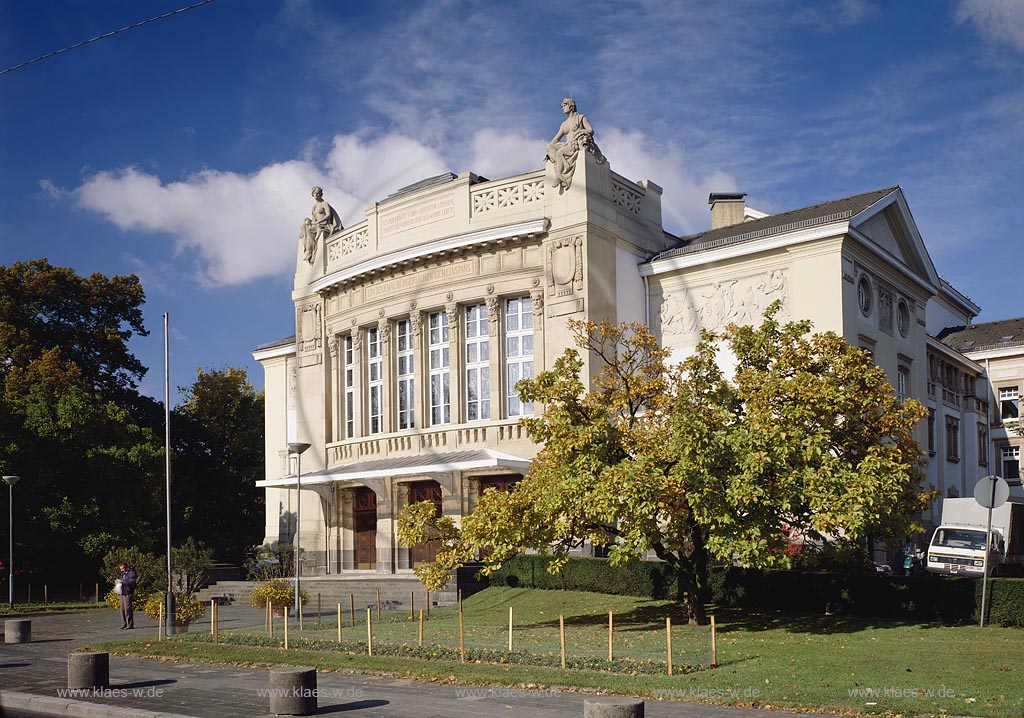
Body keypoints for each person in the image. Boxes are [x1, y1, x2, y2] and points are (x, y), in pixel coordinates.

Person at [545, 98, 605, 191]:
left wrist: (581, 131)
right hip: (567, 145)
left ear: (571, 106)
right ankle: (561, 168)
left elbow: (590, 130)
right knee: (549, 146)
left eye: (564, 105)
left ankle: (559, 174)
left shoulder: (581, 118)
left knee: (560, 152)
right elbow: (556, 138)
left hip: (576, 144)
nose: (562, 108)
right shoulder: (564, 124)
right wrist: (549, 150)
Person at [299, 186, 342, 264]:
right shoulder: (314, 207)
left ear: (321, 194)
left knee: (311, 230)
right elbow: (313, 220)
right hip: (317, 224)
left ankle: (310, 251)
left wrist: (319, 221)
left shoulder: (324, 204)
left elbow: (328, 215)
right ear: (312, 194)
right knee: (305, 226)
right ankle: (309, 251)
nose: (316, 195)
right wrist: (309, 221)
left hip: (325, 224)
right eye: (315, 193)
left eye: (318, 193)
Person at [117, 562, 137, 629]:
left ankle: (130, 624)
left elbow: (132, 582)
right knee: (122, 609)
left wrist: (122, 581)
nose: (122, 570)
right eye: (121, 569)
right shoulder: (123, 574)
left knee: (127, 609)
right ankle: (124, 623)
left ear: (126, 567)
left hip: (128, 593)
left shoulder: (131, 573)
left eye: (123, 568)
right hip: (122, 593)